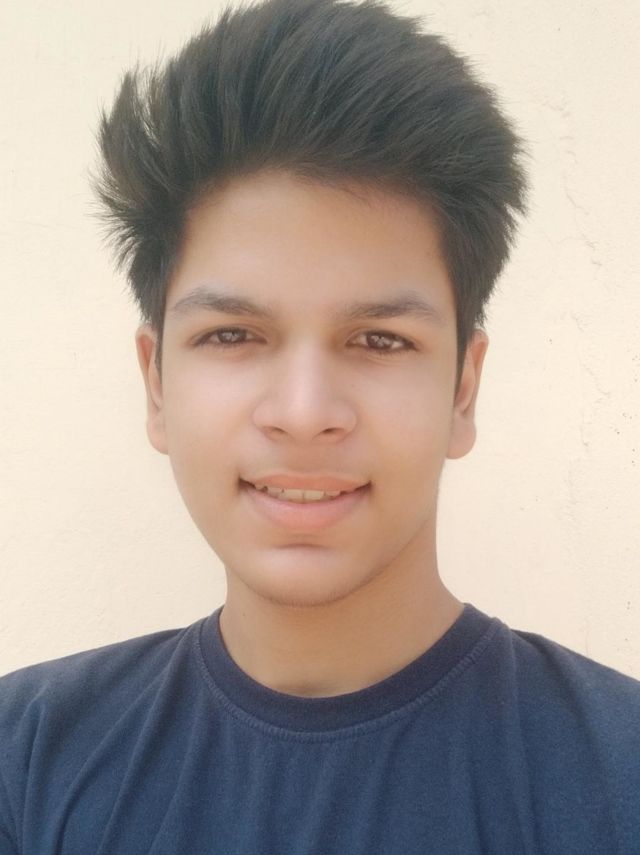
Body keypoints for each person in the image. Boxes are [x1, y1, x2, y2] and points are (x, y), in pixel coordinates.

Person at [1, 0, 638, 851]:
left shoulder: (618, 773)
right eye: (233, 335)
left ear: (463, 389)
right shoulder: (29, 759)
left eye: (379, 340)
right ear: (156, 384)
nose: (303, 414)